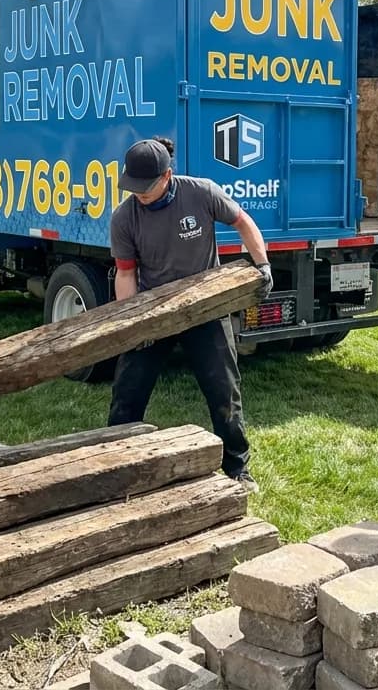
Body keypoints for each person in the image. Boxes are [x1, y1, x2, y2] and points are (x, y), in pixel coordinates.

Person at [108, 136, 273, 493]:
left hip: (205, 307)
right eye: (133, 187)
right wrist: (135, 324)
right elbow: (125, 273)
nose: (139, 194)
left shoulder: (201, 193)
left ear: (167, 176)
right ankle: (116, 464)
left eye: (146, 187)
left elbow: (243, 221)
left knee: (224, 391)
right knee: (127, 392)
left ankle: (237, 468)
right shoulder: (124, 218)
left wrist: (262, 264)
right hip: (154, 310)